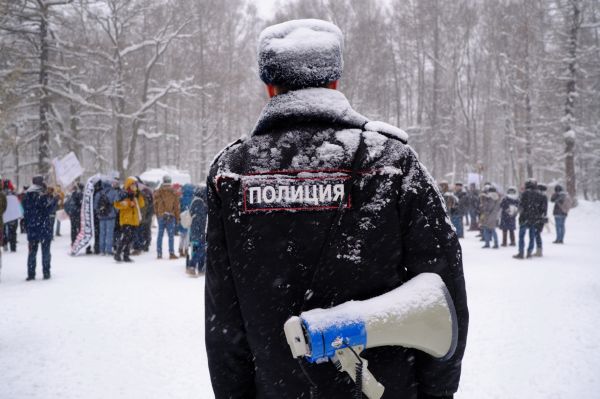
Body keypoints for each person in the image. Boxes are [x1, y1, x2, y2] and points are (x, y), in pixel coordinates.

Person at [205, 19, 468, 399]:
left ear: (269, 87)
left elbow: (223, 319)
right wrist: (436, 393)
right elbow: (443, 299)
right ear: (334, 82)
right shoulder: (392, 160)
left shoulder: (232, 171)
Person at [22, 176, 57, 280]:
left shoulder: (27, 196)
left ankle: (31, 273)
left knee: (32, 252)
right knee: (46, 251)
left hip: (32, 228)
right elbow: (47, 210)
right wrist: (54, 201)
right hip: (44, 227)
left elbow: (25, 212)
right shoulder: (43, 195)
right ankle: (46, 272)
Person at [113, 177, 145, 262]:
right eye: (133, 184)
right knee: (125, 238)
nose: (134, 186)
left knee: (130, 239)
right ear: (128, 185)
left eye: (135, 184)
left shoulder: (136, 194)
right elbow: (117, 204)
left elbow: (142, 204)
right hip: (126, 220)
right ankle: (118, 254)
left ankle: (126, 255)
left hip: (134, 220)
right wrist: (128, 203)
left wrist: (139, 195)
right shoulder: (123, 193)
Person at [514, 179, 546, 259]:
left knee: (522, 236)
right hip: (534, 219)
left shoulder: (524, 194)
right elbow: (542, 209)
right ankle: (529, 252)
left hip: (524, 218)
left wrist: (521, 212)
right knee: (532, 236)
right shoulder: (540, 195)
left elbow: (520, 206)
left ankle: (521, 253)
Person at [153, 175, 180, 260]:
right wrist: (177, 217)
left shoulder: (158, 192)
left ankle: (159, 253)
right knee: (171, 236)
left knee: (160, 235)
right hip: (171, 216)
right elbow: (176, 207)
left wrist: (158, 215)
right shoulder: (173, 193)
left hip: (161, 216)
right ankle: (171, 253)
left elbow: (155, 205)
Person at [94, 179, 120, 255]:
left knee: (102, 233)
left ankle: (101, 250)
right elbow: (117, 204)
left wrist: (99, 212)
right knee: (109, 233)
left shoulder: (98, 193)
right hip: (111, 216)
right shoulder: (114, 192)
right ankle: (108, 250)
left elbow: (95, 206)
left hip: (101, 216)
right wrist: (115, 212)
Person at [187, 185, 208, 276]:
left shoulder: (195, 200)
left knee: (198, 248)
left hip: (195, 230)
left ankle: (201, 267)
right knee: (201, 248)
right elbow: (200, 218)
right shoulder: (199, 202)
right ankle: (192, 266)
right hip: (199, 230)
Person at [178, 183, 195, 257]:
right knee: (188, 235)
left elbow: (179, 208)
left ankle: (180, 249)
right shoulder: (193, 198)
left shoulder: (181, 198)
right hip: (189, 218)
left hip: (182, 217)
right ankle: (186, 250)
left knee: (182, 235)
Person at [2, 179, 18, 252]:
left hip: (4, 214)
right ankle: (13, 246)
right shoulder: (13, 193)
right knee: (13, 231)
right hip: (13, 215)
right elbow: (17, 204)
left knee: (4, 231)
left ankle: (5, 244)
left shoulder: (1, 193)